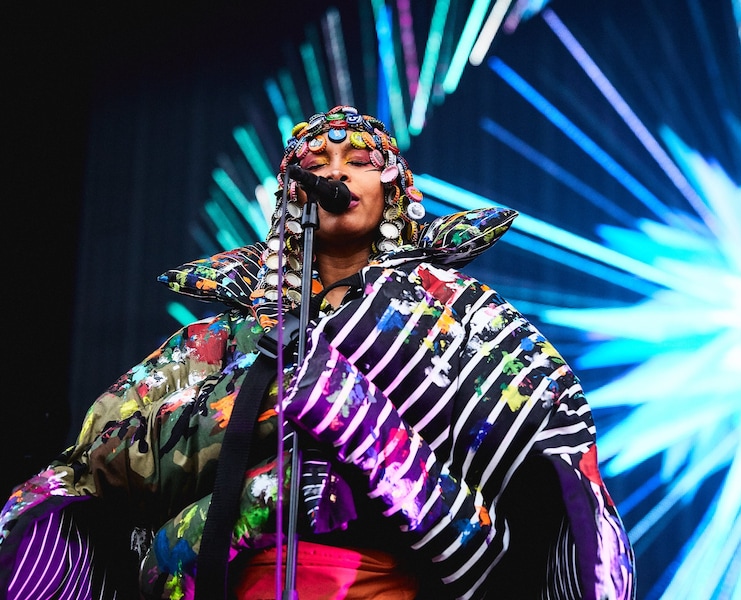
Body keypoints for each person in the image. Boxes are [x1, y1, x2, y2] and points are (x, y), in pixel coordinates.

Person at [0, 105, 635, 599]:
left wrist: (360, 427)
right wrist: (260, 492)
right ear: (292, 194)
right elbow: (101, 466)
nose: (336, 172)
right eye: (317, 162)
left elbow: (549, 459)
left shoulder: (456, 311)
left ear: (393, 189)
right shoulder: (229, 336)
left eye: (359, 160)